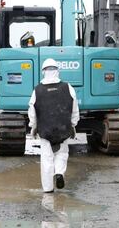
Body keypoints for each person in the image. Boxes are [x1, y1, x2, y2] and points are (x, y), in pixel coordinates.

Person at [28, 58, 80, 193]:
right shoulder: (68, 87)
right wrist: (73, 124)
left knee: (46, 158)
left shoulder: (37, 90)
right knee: (62, 153)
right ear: (57, 71)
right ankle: (59, 173)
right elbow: (74, 108)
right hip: (63, 128)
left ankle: (48, 188)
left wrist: (33, 126)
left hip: (45, 130)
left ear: (43, 72)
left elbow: (32, 110)